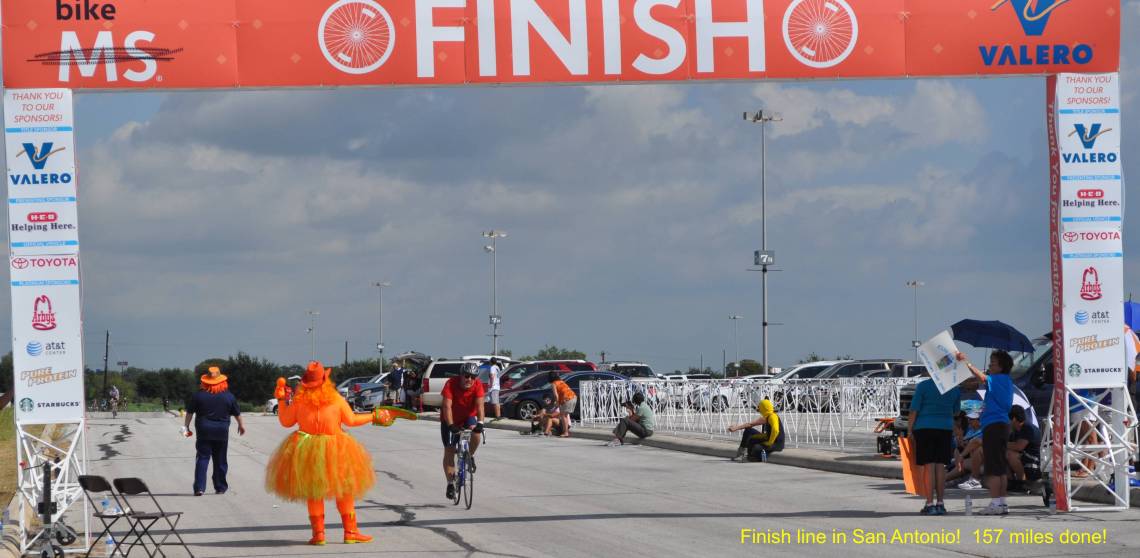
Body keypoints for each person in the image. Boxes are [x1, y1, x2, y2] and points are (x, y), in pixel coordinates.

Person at [266, 361, 414, 545]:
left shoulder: (299, 401)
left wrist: (281, 401)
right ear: (325, 380)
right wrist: (374, 416)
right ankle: (350, 532)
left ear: (305, 383)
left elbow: (286, 421)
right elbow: (351, 420)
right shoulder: (336, 399)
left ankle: (319, 535)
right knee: (344, 490)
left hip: (306, 449)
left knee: (314, 492)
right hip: (336, 448)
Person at [957, 350, 1014, 515]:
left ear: (1001, 366)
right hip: (1001, 425)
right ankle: (1001, 503)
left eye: (992, 363)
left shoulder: (998, 379)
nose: (989, 366)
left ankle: (995, 503)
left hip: (994, 426)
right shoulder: (1005, 381)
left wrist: (966, 362)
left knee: (993, 468)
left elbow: (982, 378)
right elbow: (979, 382)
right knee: (1000, 467)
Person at [183, 366, 246, 496]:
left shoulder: (198, 395)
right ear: (222, 381)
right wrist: (241, 425)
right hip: (221, 431)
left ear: (205, 381)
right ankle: (220, 487)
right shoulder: (229, 396)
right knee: (220, 459)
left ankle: (199, 488)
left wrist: (186, 426)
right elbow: (237, 413)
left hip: (203, 431)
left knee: (202, 458)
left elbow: (189, 413)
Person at [905, 376, 960, 515]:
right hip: (945, 428)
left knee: (929, 466)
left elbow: (914, 410)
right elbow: (956, 411)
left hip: (924, 428)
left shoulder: (923, 386)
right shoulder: (954, 388)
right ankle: (940, 503)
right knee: (941, 466)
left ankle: (929, 504)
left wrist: (910, 430)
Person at [441, 362, 486, 500]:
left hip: (468, 417)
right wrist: (451, 425)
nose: (469, 379)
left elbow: (480, 406)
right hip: (450, 419)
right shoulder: (451, 383)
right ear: (461, 375)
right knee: (449, 450)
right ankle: (450, 483)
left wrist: (480, 423)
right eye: (466, 376)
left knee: (476, 433)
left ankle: (469, 455)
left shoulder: (478, 385)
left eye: (473, 377)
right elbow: (447, 406)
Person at [1006, 405, 1041, 492]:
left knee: (1010, 454)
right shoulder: (1015, 431)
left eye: (1008, 419)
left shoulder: (1028, 428)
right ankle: (1010, 482)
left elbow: (1019, 446)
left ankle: (1022, 482)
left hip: (1032, 461)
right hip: (1023, 457)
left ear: (1014, 419)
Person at [549, 372, 577, 438]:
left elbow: (556, 395)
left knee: (563, 415)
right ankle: (566, 431)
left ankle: (565, 432)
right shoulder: (561, 381)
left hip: (567, 399)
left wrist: (557, 403)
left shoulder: (553, 384)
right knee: (565, 415)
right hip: (573, 397)